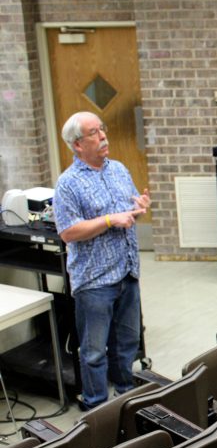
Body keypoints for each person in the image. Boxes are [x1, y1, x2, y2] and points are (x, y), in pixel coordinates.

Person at [54, 111, 150, 410]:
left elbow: (129, 206)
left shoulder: (119, 169)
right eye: (94, 133)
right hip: (95, 280)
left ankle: (126, 397)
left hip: (127, 271)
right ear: (78, 144)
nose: (104, 136)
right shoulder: (68, 184)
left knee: (127, 344)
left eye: (103, 130)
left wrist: (139, 207)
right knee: (94, 351)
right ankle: (96, 409)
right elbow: (68, 232)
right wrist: (109, 220)